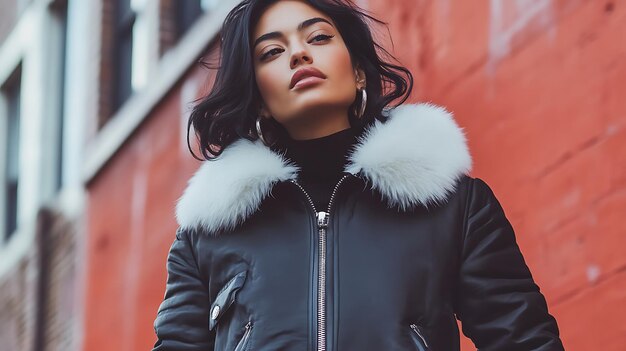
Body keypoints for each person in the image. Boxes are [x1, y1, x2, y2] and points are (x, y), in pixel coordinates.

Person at [151, 0, 565, 350]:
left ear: (359, 72)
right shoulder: (207, 234)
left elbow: (525, 339)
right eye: (272, 52)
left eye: (318, 38)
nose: (298, 54)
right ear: (259, 100)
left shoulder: (454, 206)